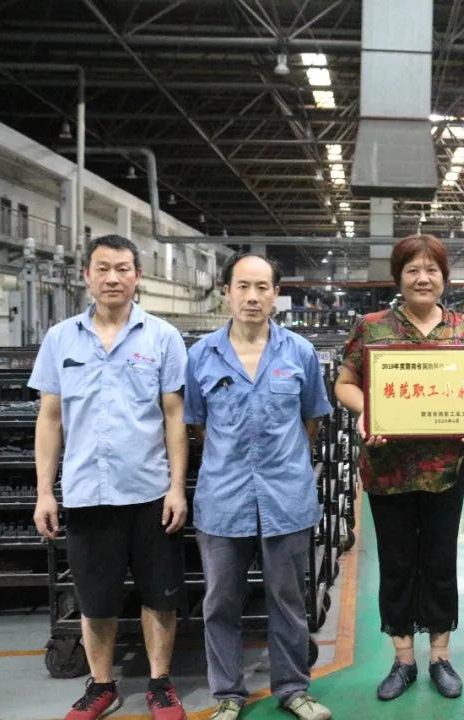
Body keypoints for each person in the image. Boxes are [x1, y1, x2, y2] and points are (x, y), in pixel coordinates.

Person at [30, 234, 188, 720]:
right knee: (95, 601)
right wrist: (44, 492)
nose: (113, 278)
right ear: (87, 276)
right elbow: (50, 419)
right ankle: (101, 686)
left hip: (149, 492)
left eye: (122, 268)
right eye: (102, 268)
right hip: (87, 493)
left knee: (159, 595)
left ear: (138, 276)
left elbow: (175, 416)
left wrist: (176, 487)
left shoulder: (162, 337)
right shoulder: (61, 338)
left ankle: (160, 683)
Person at [334, 234, 464, 701]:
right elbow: (345, 382)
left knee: (440, 559)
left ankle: (440, 655)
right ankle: (402, 660)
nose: (423, 278)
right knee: (397, 562)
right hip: (388, 469)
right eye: (413, 270)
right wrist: (368, 412)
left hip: (446, 469)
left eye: (432, 270)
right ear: (398, 277)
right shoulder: (372, 326)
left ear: (444, 277)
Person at [184, 253, 332, 720]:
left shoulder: (300, 353)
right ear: (226, 291)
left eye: (262, 287)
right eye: (243, 286)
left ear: (276, 294)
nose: (252, 297)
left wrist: (280, 461)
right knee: (220, 602)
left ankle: (292, 688)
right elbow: (197, 426)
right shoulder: (201, 356)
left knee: (287, 601)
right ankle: (228, 693)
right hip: (223, 499)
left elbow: (311, 420)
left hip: (285, 498)